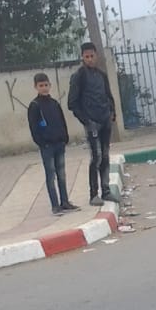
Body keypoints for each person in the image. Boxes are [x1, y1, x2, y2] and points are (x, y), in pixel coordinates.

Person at [67, 41, 116, 207]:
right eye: (86, 57)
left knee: (106, 156)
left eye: (92, 56)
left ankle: (106, 190)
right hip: (92, 123)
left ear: (96, 56)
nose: (90, 59)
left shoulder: (102, 75)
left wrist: (112, 113)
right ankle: (93, 194)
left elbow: (108, 95)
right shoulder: (79, 76)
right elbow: (72, 103)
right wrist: (86, 121)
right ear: (82, 57)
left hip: (105, 121)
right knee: (96, 157)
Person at [28, 72, 77, 215]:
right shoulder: (35, 106)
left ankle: (65, 202)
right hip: (47, 146)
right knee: (51, 176)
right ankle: (55, 205)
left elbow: (62, 121)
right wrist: (42, 143)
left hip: (59, 144)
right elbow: (33, 127)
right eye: (41, 85)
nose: (44, 88)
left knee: (62, 174)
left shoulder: (54, 103)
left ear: (50, 85)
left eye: (46, 85)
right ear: (36, 87)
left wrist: (64, 137)